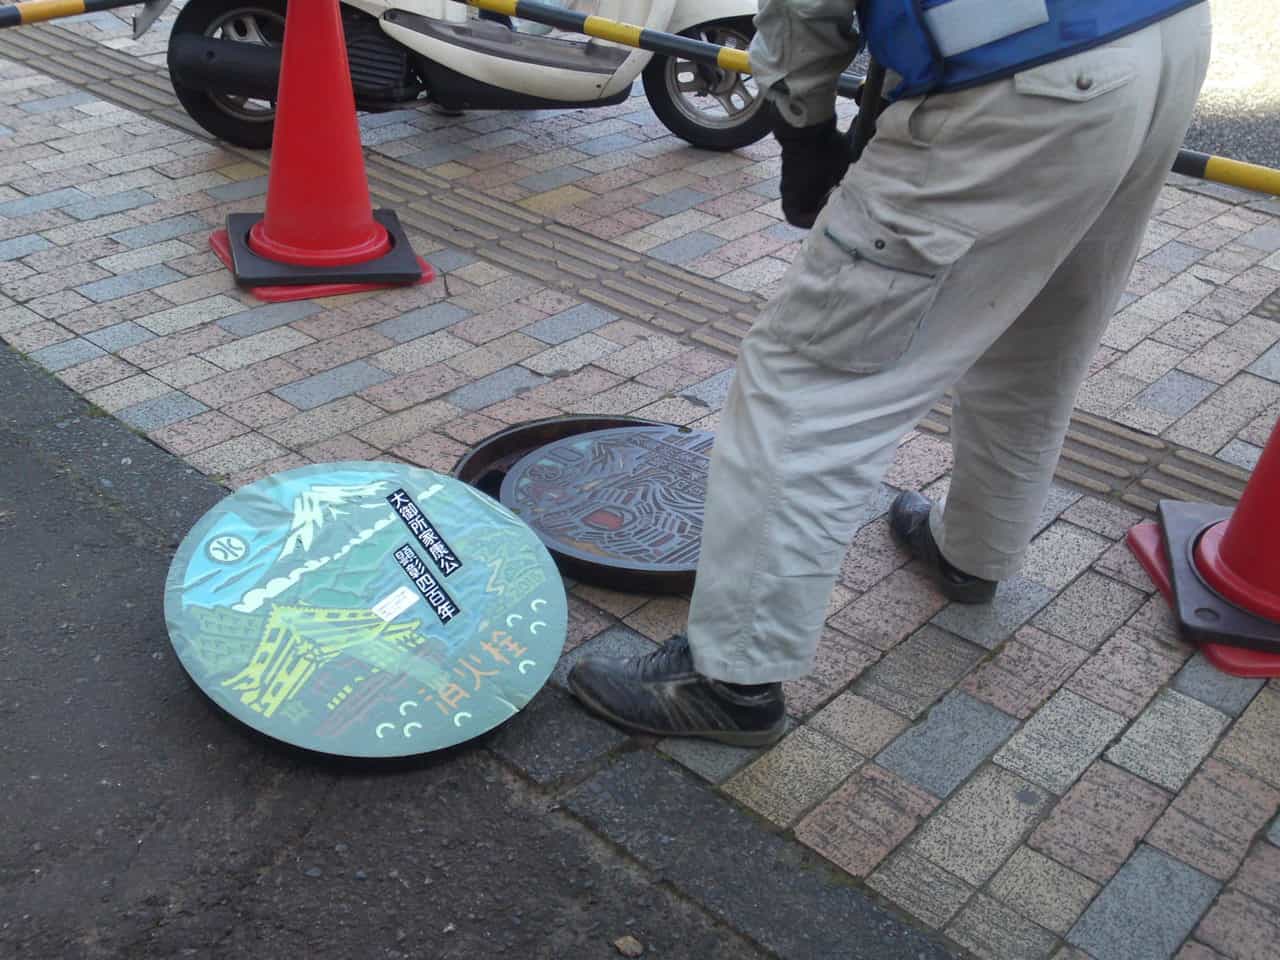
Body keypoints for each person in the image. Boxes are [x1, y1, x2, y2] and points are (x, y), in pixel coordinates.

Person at [567, 0, 1213, 745]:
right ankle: (973, 553)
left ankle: (731, 680)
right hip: (1166, 36)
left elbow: (805, 8)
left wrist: (803, 131)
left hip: (1018, 75)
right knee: (1037, 339)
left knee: (807, 384)